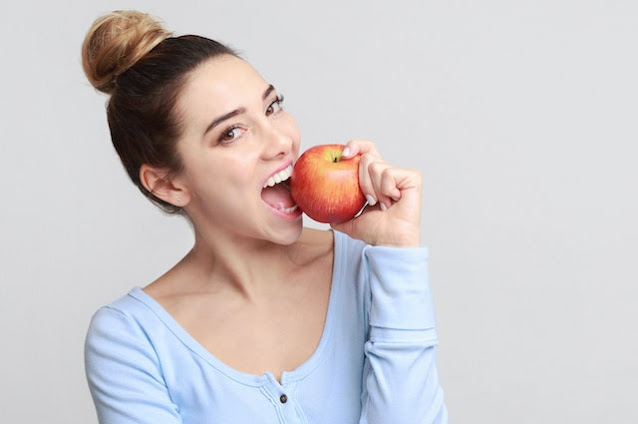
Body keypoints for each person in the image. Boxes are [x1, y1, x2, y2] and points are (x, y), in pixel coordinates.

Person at [81, 10, 448, 424]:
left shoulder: (368, 266)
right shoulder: (132, 341)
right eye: (232, 132)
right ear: (168, 184)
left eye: (272, 107)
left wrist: (398, 251)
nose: (280, 141)